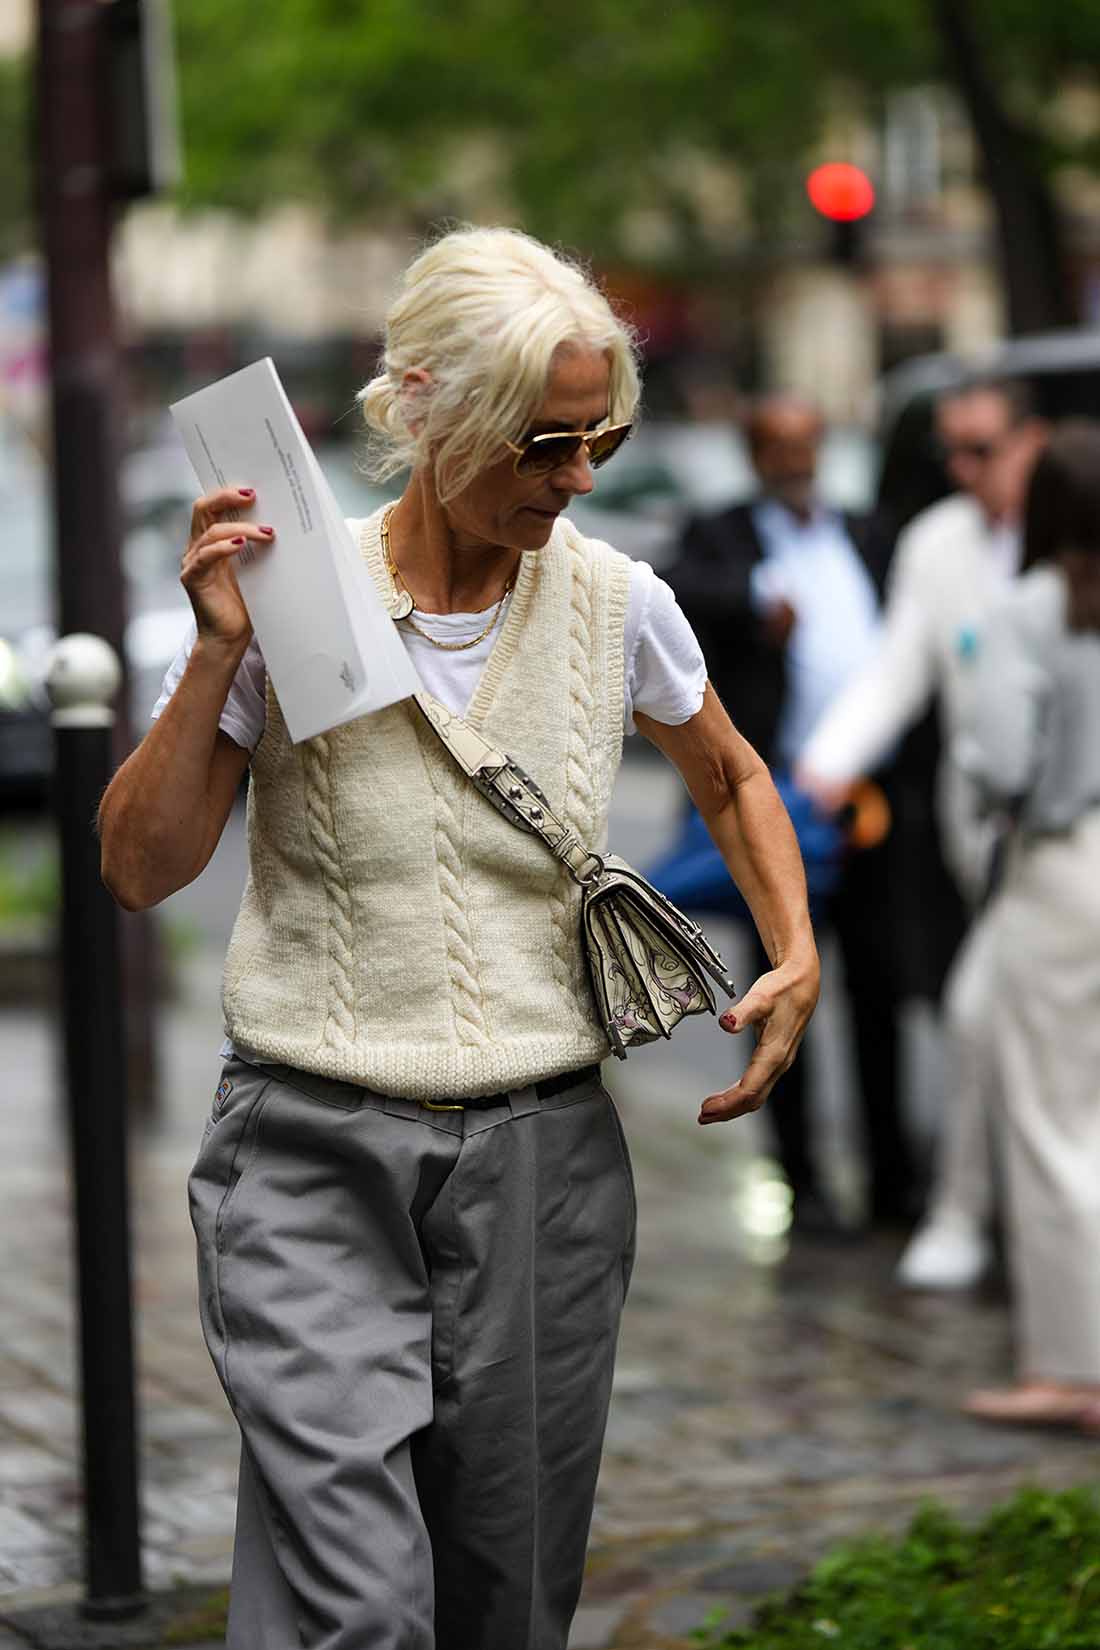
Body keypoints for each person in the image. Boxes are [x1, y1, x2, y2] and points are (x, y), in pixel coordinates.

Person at [97, 227, 819, 1650]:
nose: (582, 478)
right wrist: (216, 654)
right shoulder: (291, 598)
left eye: (599, 436)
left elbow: (731, 771)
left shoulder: (619, 603)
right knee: (357, 1606)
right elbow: (138, 866)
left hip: (545, 1168)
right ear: (430, 410)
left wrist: (796, 947)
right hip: (310, 1150)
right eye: (548, 443)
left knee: (507, 1601)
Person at [798, 378, 1048, 1288]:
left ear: (1034, 440)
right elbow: (896, 668)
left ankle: (978, 1216)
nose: (963, 468)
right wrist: (821, 771)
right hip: (983, 834)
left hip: (1065, 829)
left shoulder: (1071, 533)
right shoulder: (940, 542)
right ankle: (984, 1218)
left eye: (983, 447)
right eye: (953, 450)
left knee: (992, 1020)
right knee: (990, 1020)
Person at [668, 394, 912, 1234]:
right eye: (779, 447)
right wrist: (752, 604)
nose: (796, 461)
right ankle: (803, 1188)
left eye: (808, 444)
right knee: (782, 990)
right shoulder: (726, 536)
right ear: (753, 452)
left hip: (870, 808)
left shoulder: (864, 532)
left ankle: (893, 1183)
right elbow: (681, 595)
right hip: (779, 810)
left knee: (879, 994)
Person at [956, 422, 1100, 1428]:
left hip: (1063, 869)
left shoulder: (1030, 612)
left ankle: (1070, 1368)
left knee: (1051, 1120)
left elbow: (1002, 764)